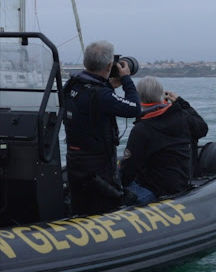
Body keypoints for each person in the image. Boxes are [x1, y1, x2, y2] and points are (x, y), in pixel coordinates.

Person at [63, 41, 141, 215]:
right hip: (98, 165)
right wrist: (127, 79)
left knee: (80, 206)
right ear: (109, 65)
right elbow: (134, 108)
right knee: (104, 208)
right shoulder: (101, 95)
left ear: (85, 63)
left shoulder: (71, 85)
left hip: (75, 159)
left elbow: (89, 99)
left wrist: (109, 85)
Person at [120, 76, 208, 204]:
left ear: (139, 99)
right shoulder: (183, 116)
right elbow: (202, 129)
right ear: (162, 95)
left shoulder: (141, 130)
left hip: (155, 191)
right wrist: (181, 102)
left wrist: (117, 186)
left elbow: (129, 169)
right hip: (180, 185)